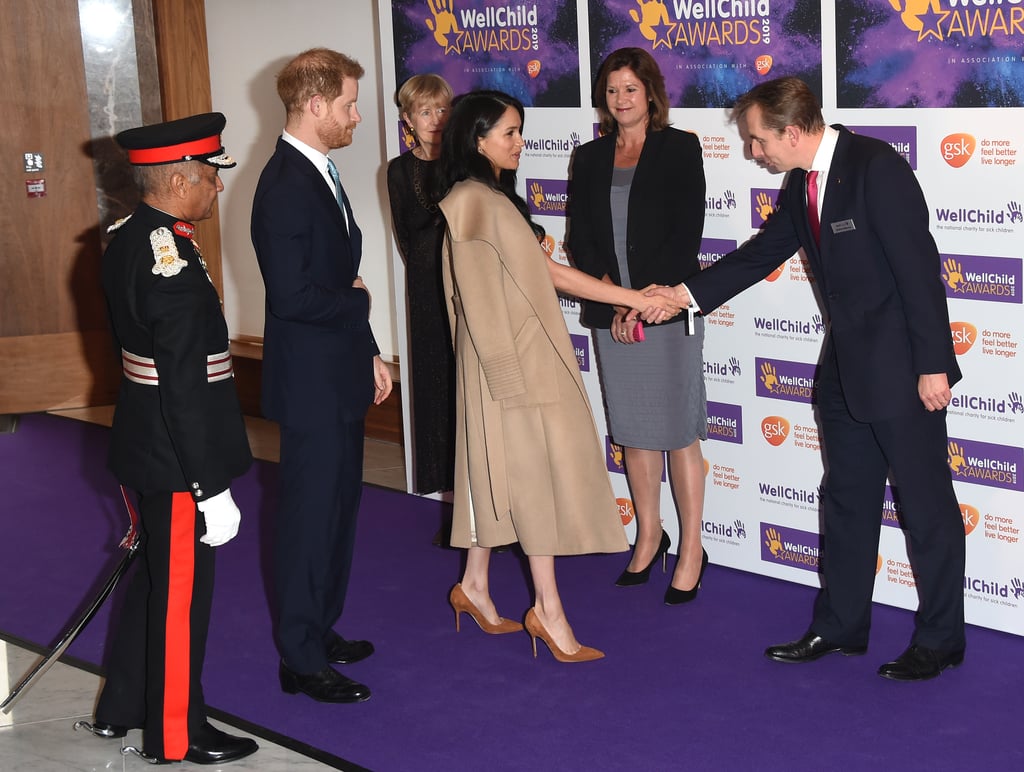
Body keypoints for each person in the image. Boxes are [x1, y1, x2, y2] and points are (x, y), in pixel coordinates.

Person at [659, 76, 965, 681]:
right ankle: (841, 625)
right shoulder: (802, 185)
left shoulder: (877, 168)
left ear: (791, 133)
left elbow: (920, 272)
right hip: (844, 375)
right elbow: (759, 254)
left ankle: (941, 638)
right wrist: (683, 295)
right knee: (846, 502)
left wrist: (933, 365)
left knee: (926, 507)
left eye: (756, 141)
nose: (753, 152)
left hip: (905, 374)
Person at [435, 90, 682, 662]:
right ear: (477, 139)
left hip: (516, 358)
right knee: (531, 482)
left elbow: (544, 272)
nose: (520, 144)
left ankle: (473, 585)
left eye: (521, 131)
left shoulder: (491, 199)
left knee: (495, 473)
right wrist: (634, 297)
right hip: (511, 366)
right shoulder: (476, 202)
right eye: (509, 133)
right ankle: (546, 610)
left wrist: (629, 296)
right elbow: (530, 283)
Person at [80, 112, 258, 764]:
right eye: (210, 176)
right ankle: (177, 736)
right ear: (181, 177)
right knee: (181, 597)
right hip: (180, 456)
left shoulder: (132, 237)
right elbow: (185, 384)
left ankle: (122, 707)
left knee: (155, 581)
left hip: (145, 441)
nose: (215, 188)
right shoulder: (172, 261)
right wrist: (210, 487)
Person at [251, 48, 393, 703]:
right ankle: (300, 660)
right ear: (315, 106)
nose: (356, 116)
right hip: (309, 385)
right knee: (309, 520)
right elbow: (294, 298)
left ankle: (321, 627)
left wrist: (368, 351)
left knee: (339, 512)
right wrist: (360, 304)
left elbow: (337, 279)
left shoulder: (321, 172)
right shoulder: (284, 185)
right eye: (348, 104)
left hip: (339, 373)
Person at [567, 47, 709, 605]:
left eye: (630, 88)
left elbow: (685, 234)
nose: (621, 100)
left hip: (667, 310)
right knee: (632, 432)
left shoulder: (680, 148)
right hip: (613, 315)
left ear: (650, 92)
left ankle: (693, 548)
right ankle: (649, 534)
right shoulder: (590, 156)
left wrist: (644, 303)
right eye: (611, 91)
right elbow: (582, 241)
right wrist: (616, 301)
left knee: (677, 434)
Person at [386, 74, 456, 497]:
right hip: (427, 295)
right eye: (424, 110)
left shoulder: (468, 161)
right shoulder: (397, 171)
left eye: (442, 108)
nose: (434, 118)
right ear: (408, 119)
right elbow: (406, 239)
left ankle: (482, 505)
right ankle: (446, 499)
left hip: (469, 290)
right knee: (434, 395)